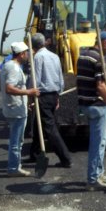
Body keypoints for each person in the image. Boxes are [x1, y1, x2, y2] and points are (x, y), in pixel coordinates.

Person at [76, 31, 106, 190]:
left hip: (84, 104)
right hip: (97, 106)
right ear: (104, 42)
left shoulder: (82, 56)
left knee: (102, 139)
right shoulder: (99, 59)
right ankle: (93, 180)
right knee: (97, 143)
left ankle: (99, 172)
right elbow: (100, 86)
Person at [27, 33, 73, 168]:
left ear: (33, 46)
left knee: (49, 129)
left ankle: (65, 158)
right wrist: (57, 96)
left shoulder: (38, 57)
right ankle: (34, 155)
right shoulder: (54, 56)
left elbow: (36, 79)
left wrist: (31, 96)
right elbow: (60, 78)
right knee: (37, 124)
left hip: (43, 96)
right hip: (53, 95)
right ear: (44, 43)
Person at [0, 41, 40, 177]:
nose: (28, 55)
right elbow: (9, 88)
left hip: (14, 106)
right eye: (26, 53)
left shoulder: (7, 65)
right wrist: (29, 92)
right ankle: (13, 168)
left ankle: (15, 166)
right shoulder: (15, 68)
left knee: (17, 139)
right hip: (16, 110)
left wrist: (22, 99)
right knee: (16, 141)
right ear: (22, 54)